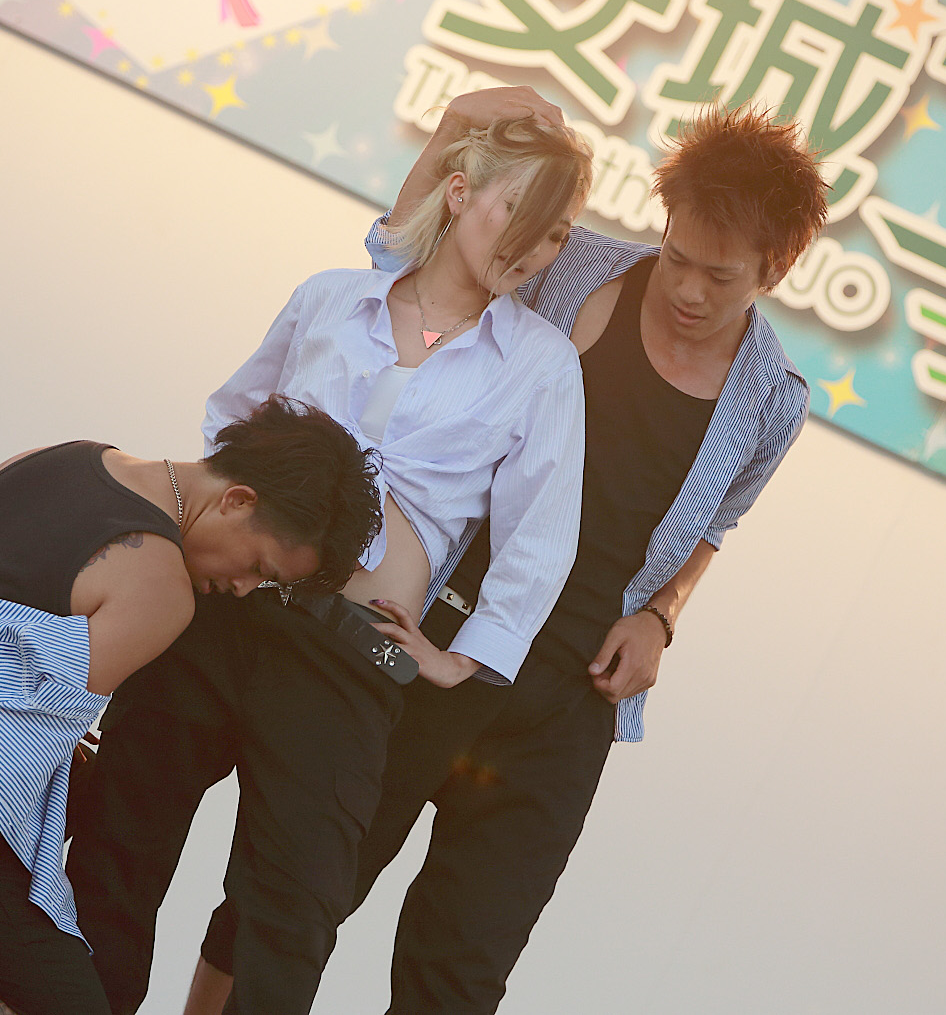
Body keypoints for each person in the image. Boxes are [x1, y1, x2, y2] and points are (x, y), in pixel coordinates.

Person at [64, 114, 595, 1015]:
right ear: (459, 192)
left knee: (294, 911)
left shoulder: (540, 365)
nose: (533, 247)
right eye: (519, 212)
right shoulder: (332, 298)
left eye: (555, 233)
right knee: (119, 843)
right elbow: (231, 419)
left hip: (350, 654)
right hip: (219, 615)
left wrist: (463, 657)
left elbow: (542, 536)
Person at [339, 89, 830, 1012]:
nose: (688, 290)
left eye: (720, 276)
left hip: (566, 707)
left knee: (459, 977)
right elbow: (402, 260)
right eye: (678, 256)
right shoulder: (571, 270)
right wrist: (452, 133)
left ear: (775, 269)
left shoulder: (773, 402)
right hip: (439, 632)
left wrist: (661, 617)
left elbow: (713, 528)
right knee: (301, 891)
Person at [0, 395, 381, 1015]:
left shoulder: (58, 456)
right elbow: (4, 768)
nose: (246, 589)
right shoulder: (161, 594)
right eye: (258, 565)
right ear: (238, 500)